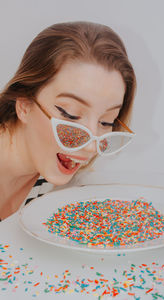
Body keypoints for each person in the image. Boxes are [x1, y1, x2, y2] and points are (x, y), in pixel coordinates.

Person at [0, 21, 136, 221]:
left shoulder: (58, 188)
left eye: (106, 122)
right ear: (24, 105)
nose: (91, 147)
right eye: (70, 114)